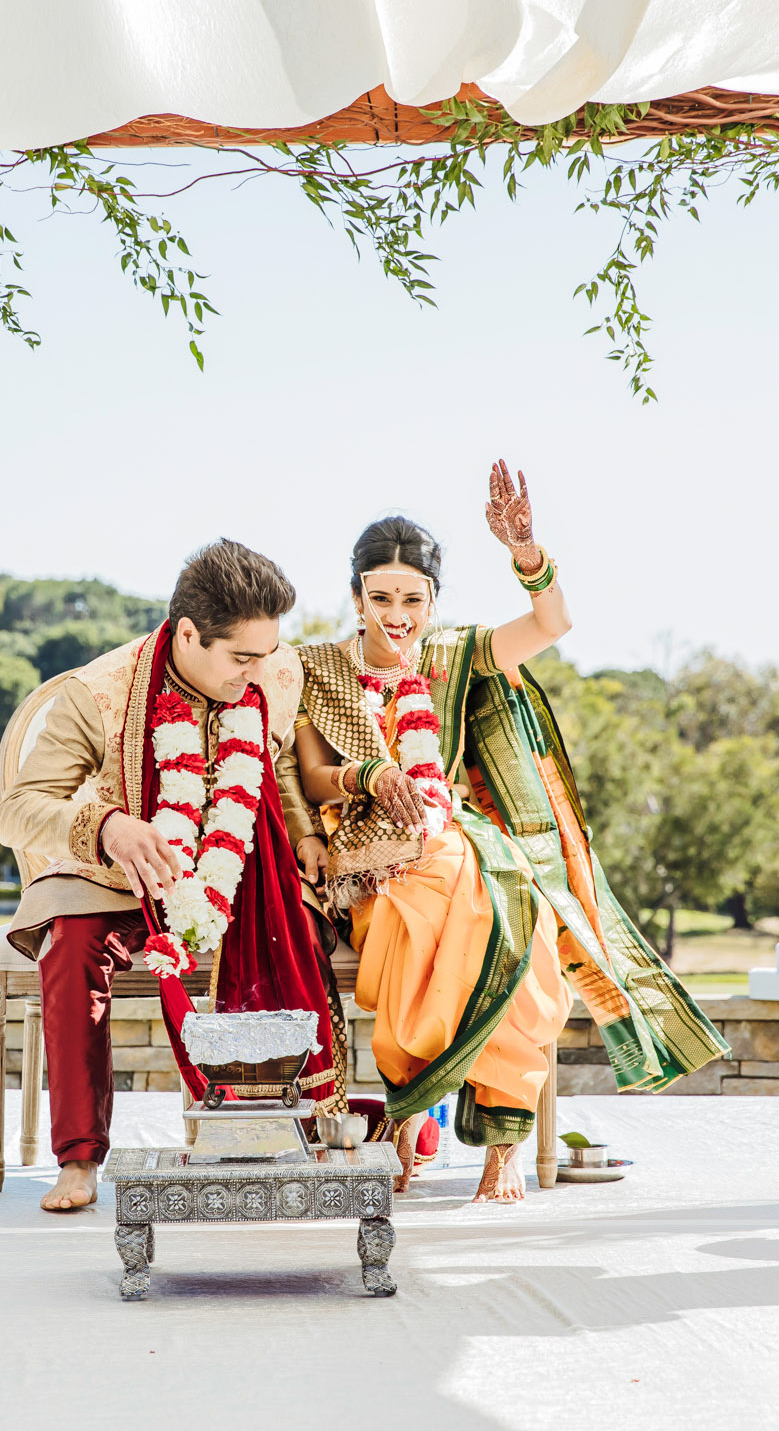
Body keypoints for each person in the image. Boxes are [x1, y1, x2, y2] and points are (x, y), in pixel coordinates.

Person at [279, 468, 728, 1203]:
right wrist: (368, 776)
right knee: (405, 918)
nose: (397, 615)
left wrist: (526, 552)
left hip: (456, 835)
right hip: (363, 854)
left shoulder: (452, 655)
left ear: (433, 602)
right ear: (355, 597)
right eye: (381, 598)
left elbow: (550, 626)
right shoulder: (318, 669)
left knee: (520, 921)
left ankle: (503, 1147)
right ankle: (409, 1110)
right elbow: (313, 776)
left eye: (413, 600)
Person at [0, 540, 346, 1213]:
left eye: (266, 653)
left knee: (300, 932)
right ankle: (78, 1158)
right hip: (120, 876)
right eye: (241, 657)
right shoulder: (95, 692)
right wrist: (105, 826)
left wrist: (302, 832)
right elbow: (16, 810)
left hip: (245, 869)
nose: (257, 672)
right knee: (69, 948)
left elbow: (274, 770)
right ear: (188, 633)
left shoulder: (277, 672)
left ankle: (290, 1132)